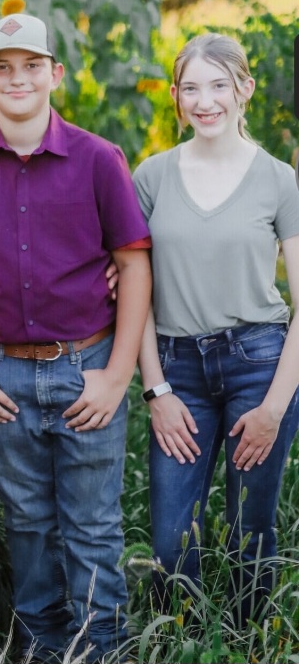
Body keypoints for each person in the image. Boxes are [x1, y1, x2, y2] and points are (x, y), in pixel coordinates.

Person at [0, 13, 152, 664]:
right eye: (3, 67)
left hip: (86, 366)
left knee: (92, 526)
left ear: (54, 73)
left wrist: (116, 370)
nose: (18, 78)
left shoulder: (97, 159)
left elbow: (131, 261)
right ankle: (45, 646)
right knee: (30, 526)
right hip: (2, 376)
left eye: (31, 65)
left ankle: (102, 648)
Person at [134, 33, 299, 625]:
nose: (205, 102)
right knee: (172, 543)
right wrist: (156, 392)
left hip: (260, 362)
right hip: (176, 368)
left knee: (251, 528)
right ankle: (178, 639)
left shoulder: (278, 179)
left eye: (219, 86)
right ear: (176, 97)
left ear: (244, 90)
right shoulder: (150, 178)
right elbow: (136, 294)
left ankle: (254, 642)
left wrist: (275, 408)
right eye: (191, 89)